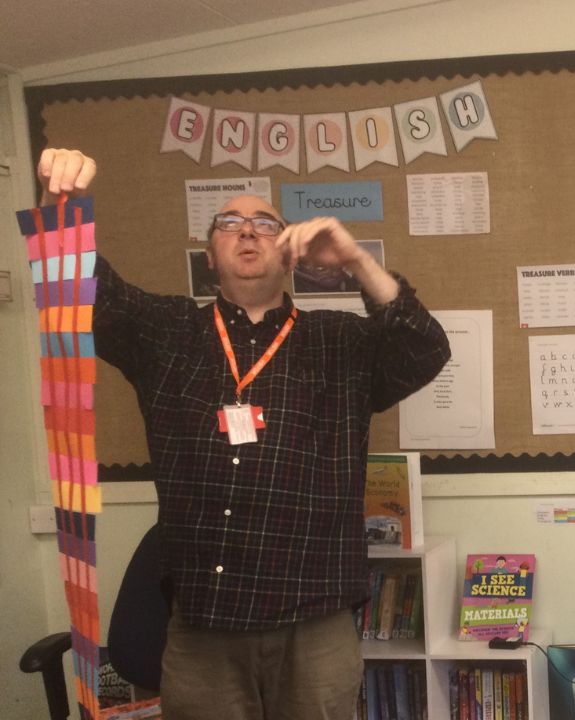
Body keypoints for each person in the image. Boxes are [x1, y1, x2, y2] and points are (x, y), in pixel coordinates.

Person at [37, 148, 451, 720]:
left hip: (315, 625)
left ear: (288, 254)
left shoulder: (342, 343)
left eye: (265, 224)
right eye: (230, 224)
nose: (248, 231)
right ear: (211, 255)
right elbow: (76, 285)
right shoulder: (166, 332)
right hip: (205, 625)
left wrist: (355, 259)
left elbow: (426, 347)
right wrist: (61, 202)